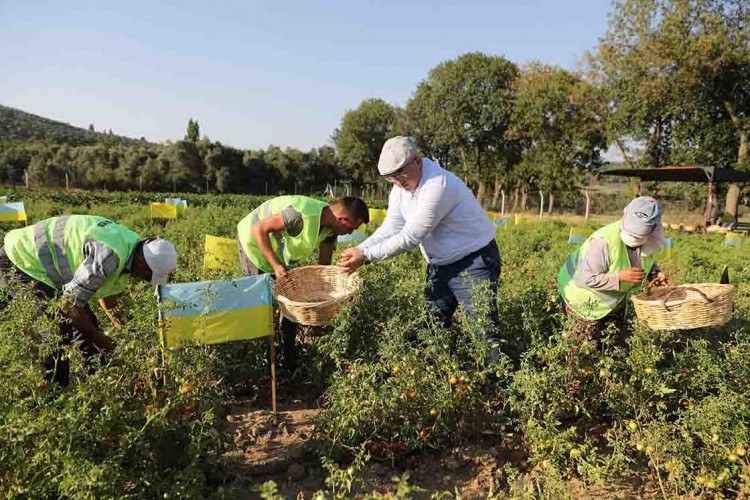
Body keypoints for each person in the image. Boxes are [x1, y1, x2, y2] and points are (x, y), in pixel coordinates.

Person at [337, 136, 501, 364]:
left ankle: (495, 390)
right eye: (391, 177)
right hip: (440, 263)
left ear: (418, 161)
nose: (397, 181)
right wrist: (360, 247)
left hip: (473, 261)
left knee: (483, 331)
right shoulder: (399, 188)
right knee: (432, 325)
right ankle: (436, 379)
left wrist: (366, 256)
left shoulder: (438, 184)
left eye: (401, 172)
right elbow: (392, 226)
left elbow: (411, 236)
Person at [0, 215, 179, 384]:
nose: (145, 280)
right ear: (142, 263)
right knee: (56, 333)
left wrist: (119, 325)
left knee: (88, 326)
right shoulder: (109, 255)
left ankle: (95, 382)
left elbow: (107, 289)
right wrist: (98, 338)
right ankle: (53, 395)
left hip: (46, 268)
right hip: (21, 261)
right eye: (148, 276)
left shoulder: (131, 245)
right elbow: (69, 305)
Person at [237, 195, 369, 370]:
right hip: (254, 245)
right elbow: (259, 229)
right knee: (261, 305)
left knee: (292, 303)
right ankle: (257, 362)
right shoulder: (300, 215)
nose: (351, 233)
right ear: (342, 219)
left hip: (280, 258)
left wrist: (323, 298)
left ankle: (288, 357)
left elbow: (323, 267)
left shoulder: (330, 229)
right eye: (352, 228)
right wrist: (276, 265)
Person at [557, 196, 667, 336]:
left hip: (613, 303)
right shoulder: (604, 241)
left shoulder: (650, 240)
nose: (634, 238)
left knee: (610, 344)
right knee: (581, 347)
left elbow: (643, 258)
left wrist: (654, 272)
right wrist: (619, 277)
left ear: (653, 228)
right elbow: (588, 278)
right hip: (581, 297)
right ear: (625, 215)